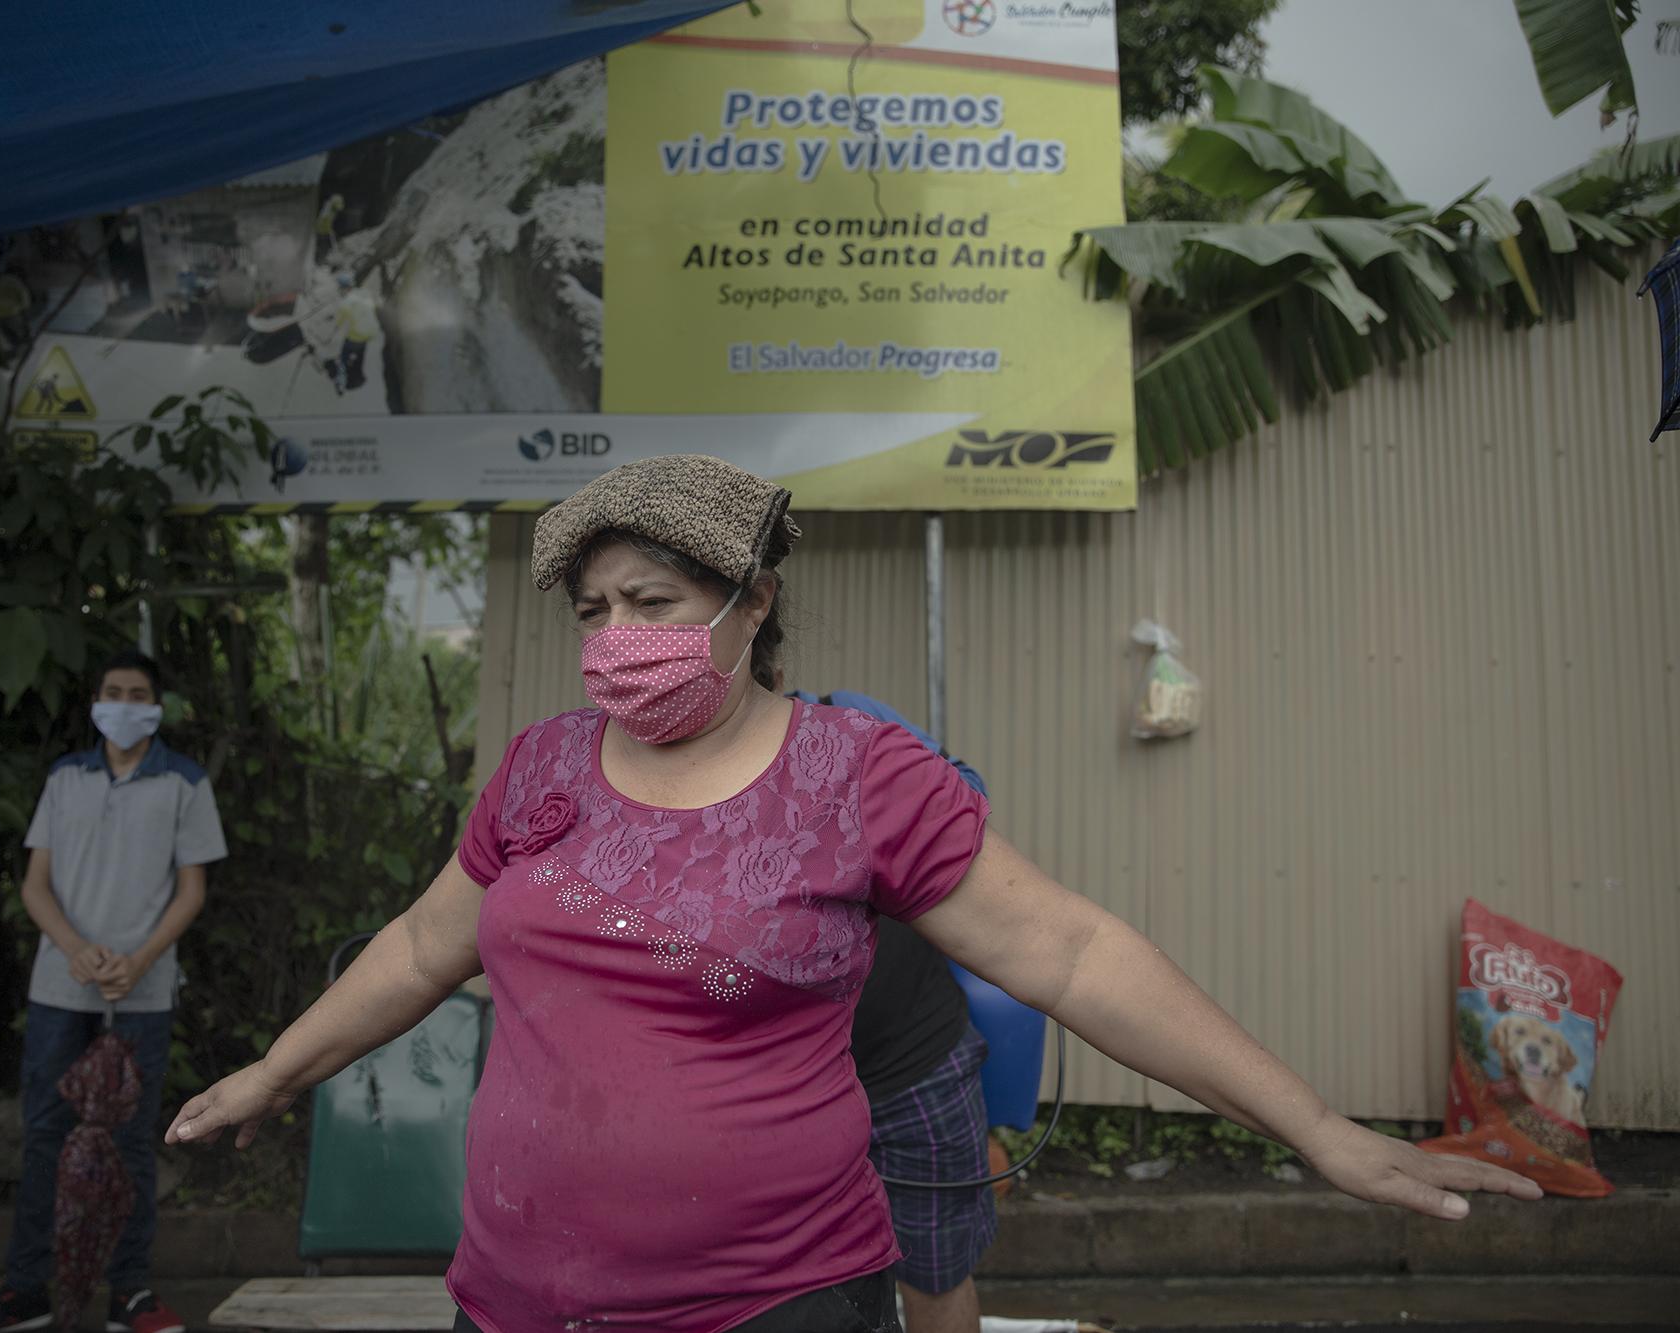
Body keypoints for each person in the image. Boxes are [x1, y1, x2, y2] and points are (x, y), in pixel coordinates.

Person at [166, 455, 1539, 1333]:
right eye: (590, 613)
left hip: (775, 1305)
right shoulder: (542, 772)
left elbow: (1069, 952)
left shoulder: (855, 775)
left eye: (649, 600)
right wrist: (274, 1071)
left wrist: (1317, 1127)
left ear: (751, 603)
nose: (613, 641)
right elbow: (419, 947)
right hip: (515, 1301)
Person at [0, 649, 228, 1333]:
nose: (123, 702)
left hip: (142, 993)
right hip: (61, 987)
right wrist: (76, 948)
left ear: (157, 705)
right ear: (95, 700)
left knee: (131, 1141)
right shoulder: (65, 778)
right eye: (112, 690)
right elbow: (34, 884)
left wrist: (141, 958)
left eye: (137, 692)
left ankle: (130, 1292)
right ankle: (26, 1287)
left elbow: (192, 891)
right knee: (46, 1135)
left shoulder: (185, 782)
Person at [781, 683, 994, 1333]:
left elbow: (968, 801)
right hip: (776, 1092)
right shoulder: (652, 780)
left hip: (915, 1065)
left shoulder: (847, 721)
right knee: (784, 1287)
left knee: (936, 1271)